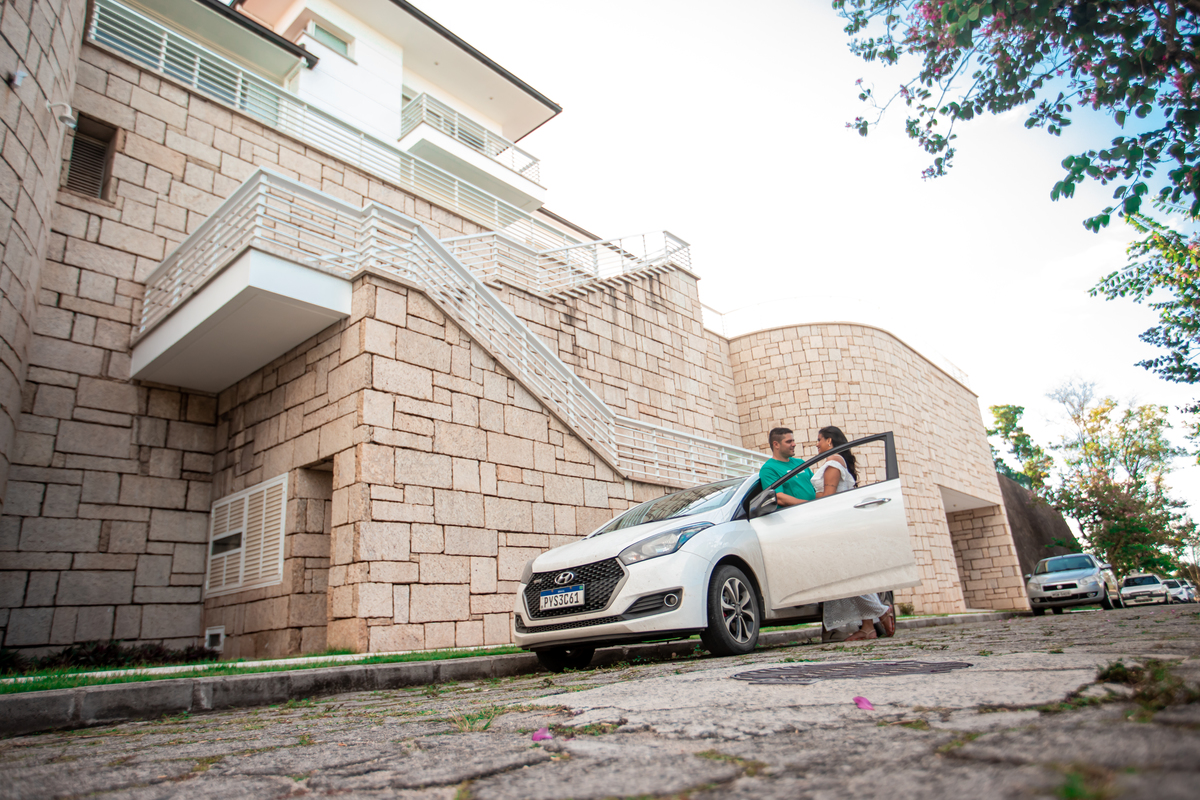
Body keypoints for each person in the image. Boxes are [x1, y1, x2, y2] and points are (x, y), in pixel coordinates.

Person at [813, 425, 896, 642]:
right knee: (852, 575)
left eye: (819, 439)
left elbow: (828, 496)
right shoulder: (840, 461)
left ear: (829, 441)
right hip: (843, 523)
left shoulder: (832, 463)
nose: (817, 444)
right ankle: (867, 628)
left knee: (843, 577)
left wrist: (808, 496)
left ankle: (881, 611)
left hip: (836, 526)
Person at [759, 427, 816, 506]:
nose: (794, 444)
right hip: (794, 515)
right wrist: (809, 505)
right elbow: (779, 498)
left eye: (793, 441)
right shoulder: (768, 469)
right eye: (789, 442)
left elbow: (816, 486)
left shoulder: (800, 463)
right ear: (776, 444)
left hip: (817, 511)